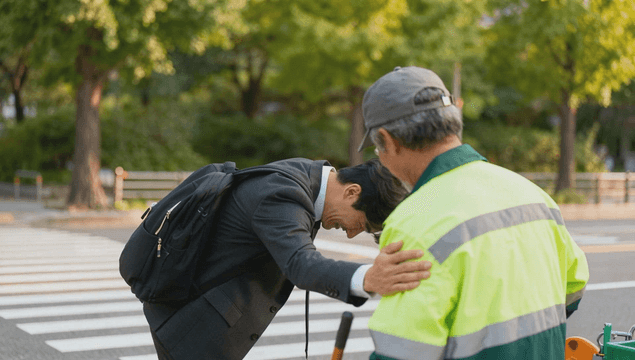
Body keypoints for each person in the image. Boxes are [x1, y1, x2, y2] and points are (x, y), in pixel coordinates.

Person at [358, 66, 589, 359]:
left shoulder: (413, 222)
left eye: (379, 151)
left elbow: (403, 350)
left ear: (387, 140)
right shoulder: (535, 197)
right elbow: (574, 284)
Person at [144, 157, 433, 359]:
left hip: (202, 316)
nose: (350, 235)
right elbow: (301, 265)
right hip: (191, 325)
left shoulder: (307, 178)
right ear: (352, 192)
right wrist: (368, 278)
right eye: (362, 224)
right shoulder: (282, 194)